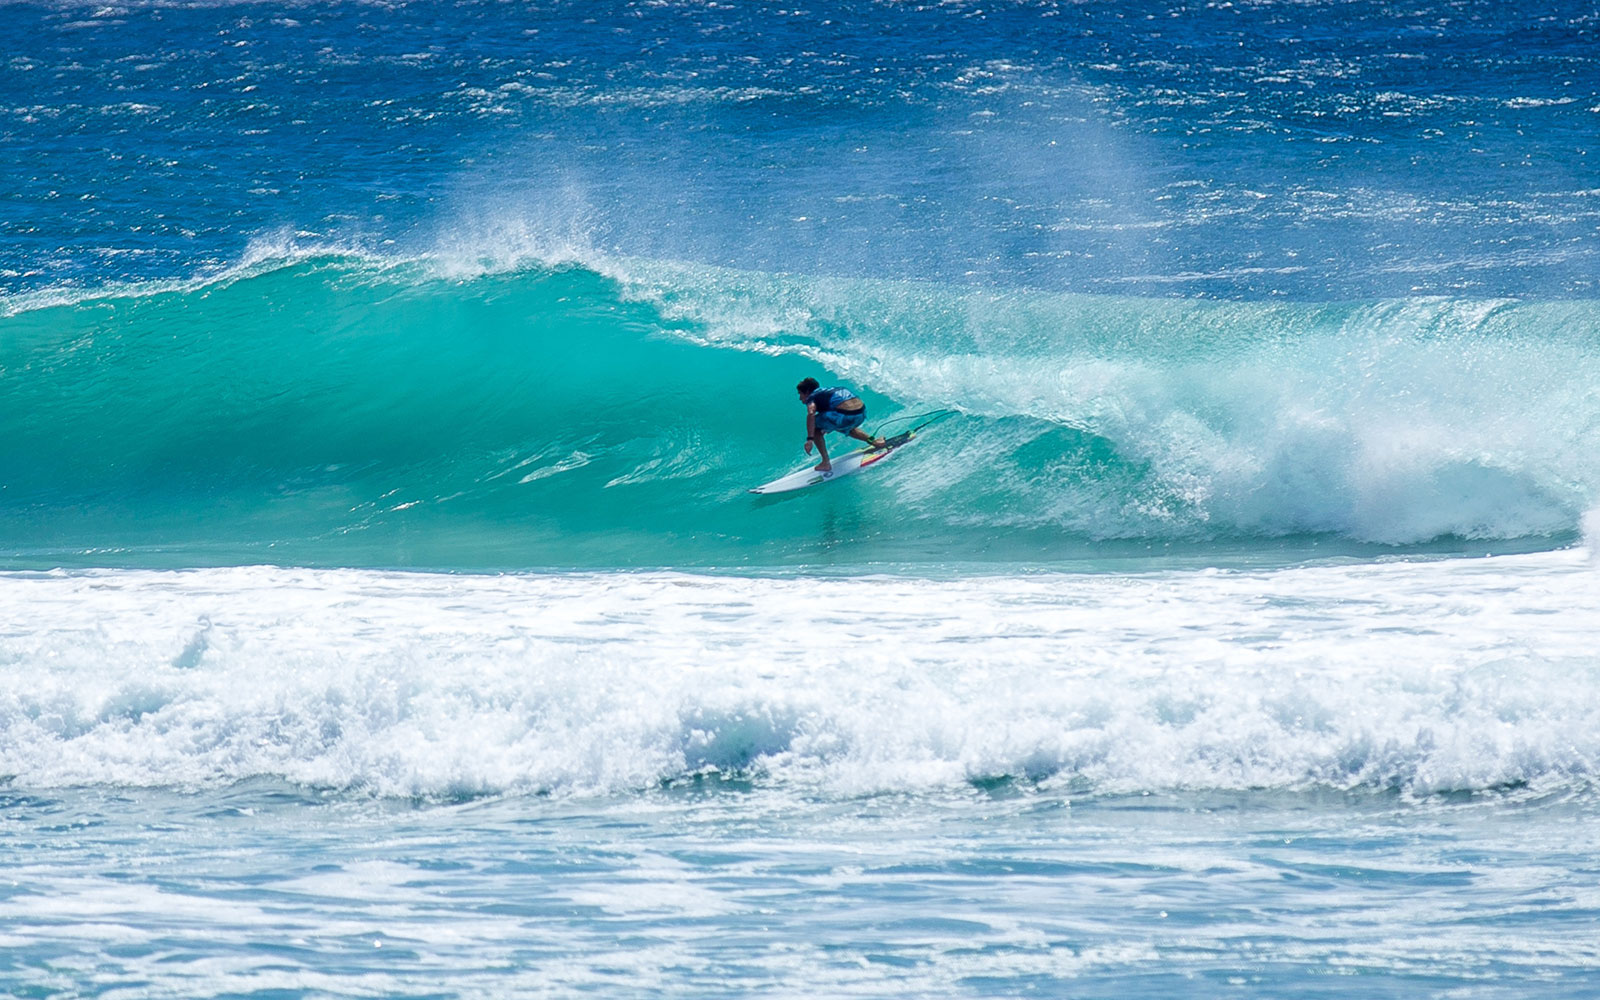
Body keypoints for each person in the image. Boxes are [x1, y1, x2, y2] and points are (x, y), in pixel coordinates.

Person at [797, 377, 885, 472]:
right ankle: (874, 441)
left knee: (815, 427)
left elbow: (811, 413)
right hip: (861, 414)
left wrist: (810, 439)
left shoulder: (812, 396)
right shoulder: (834, 390)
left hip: (844, 416)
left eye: (800, 394)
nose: (800, 398)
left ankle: (825, 463)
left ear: (807, 392)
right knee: (844, 426)